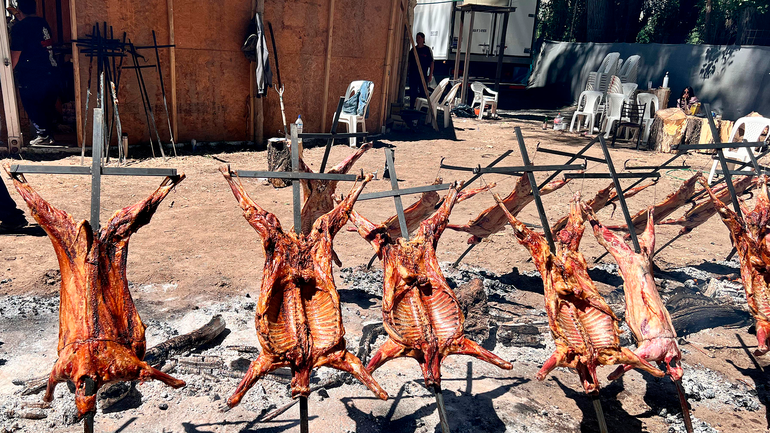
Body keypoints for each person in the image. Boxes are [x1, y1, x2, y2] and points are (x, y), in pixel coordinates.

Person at [10, 0, 59, 146]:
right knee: (46, 104)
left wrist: (7, 70)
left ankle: (43, 135)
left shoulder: (20, 28)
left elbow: (15, 55)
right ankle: (48, 134)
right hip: (51, 69)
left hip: (32, 73)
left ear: (19, 9)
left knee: (31, 103)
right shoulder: (42, 23)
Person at [408, 32, 434, 109]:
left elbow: (431, 62)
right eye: (417, 38)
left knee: (423, 92)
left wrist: (430, 75)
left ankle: (424, 109)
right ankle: (412, 107)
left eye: (419, 38)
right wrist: (408, 72)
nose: (417, 39)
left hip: (423, 75)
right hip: (413, 75)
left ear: (423, 39)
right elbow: (409, 62)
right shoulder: (413, 50)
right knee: (413, 92)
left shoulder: (427, 50)